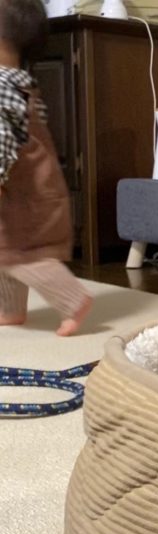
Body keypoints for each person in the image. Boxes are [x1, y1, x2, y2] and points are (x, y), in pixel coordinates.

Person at [0, 0, 91, 336]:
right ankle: (10, 310)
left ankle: (73, 299)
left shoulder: (1, 87)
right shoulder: (22, 84)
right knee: (6, 253)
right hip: (32, 193)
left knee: (22, 257)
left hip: (24, 199)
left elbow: (2, 140)